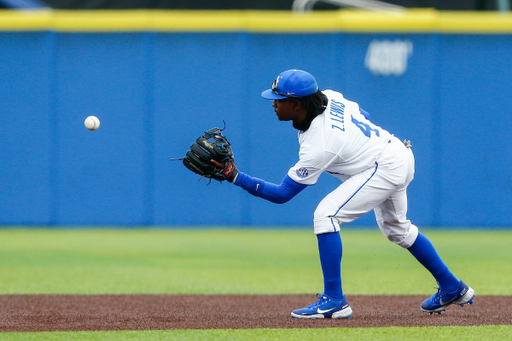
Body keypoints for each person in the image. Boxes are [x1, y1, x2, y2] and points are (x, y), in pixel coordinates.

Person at [211, 69, 475, 319]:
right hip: (397, 152)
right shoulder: (330, 96)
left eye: (279, 100)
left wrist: (234, 175)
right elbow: (364, 114)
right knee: (398, 230)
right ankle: (453, 287)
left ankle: (334, 301)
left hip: (385, 166)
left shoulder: (320, 145)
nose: (273, 104)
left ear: (298, 105)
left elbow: (282, 194)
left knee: (325, 215)